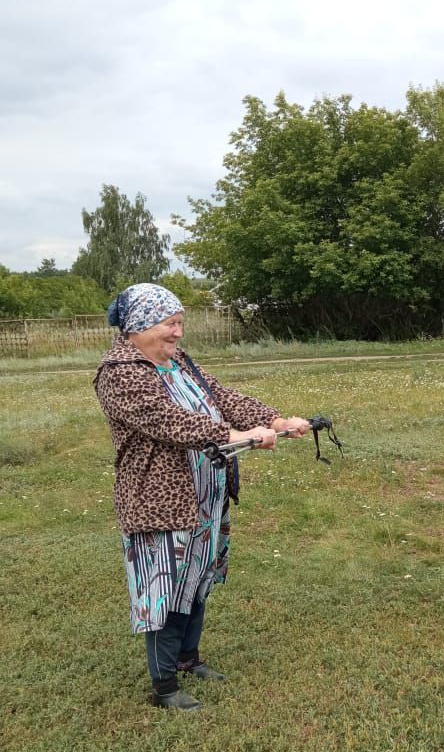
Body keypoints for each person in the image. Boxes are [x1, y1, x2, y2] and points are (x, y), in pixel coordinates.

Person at [94, 283, 310, 711]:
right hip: (160, 501)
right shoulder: (120, 373)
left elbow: (221, 398)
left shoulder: (177, 362)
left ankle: (189, 659)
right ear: (140, 325)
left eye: (180, 324)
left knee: (196, 581)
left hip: (205, 496)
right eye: (170, 324)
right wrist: (236, 436)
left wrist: (275, 419)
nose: (178, 333)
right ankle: (165, 687)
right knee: (165, 589)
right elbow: (168, 421)